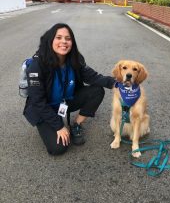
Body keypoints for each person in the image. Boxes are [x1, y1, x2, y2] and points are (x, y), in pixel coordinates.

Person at [23, 23, 115, 155]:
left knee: (97, 91)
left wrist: (117, 84)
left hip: (65, 101)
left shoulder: (75, 58)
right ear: (50, 40)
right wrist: (59, 126)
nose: (63, 42)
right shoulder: (37, 65)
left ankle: (76, 124)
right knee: (58, 148)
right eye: (58, 37)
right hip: (44, 108)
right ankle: (54, 123)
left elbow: (93, 77)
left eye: (68, 38)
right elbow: (37, 101)